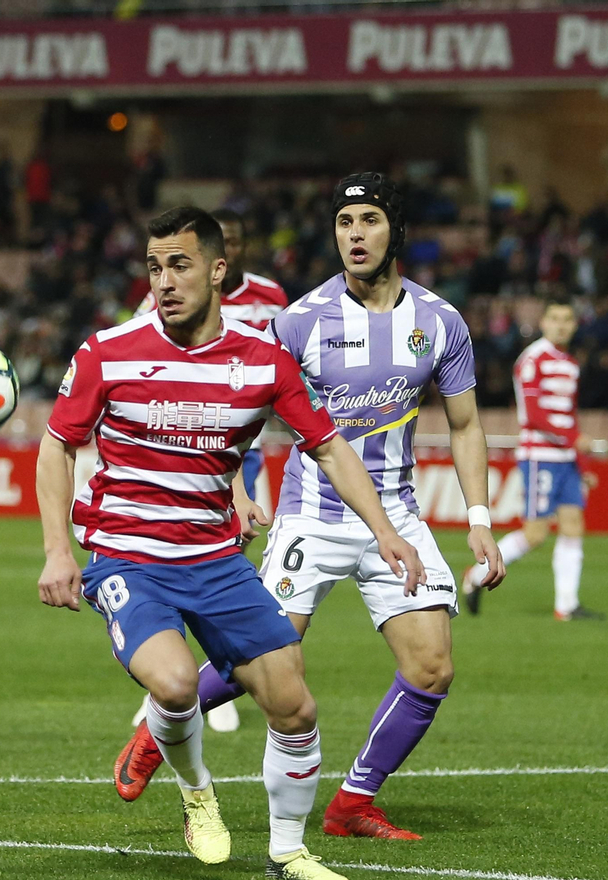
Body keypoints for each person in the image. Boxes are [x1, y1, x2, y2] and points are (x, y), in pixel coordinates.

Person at [40, 205, 426, 880]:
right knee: (176, 681)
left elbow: (330, 448)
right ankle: (197, 791)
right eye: (154, 267)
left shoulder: (262, 361)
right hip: (129, 556)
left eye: (180, 265)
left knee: (294, 703)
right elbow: (56, 445)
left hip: (217, 562)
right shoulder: (108, 352)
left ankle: (288, 852)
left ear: (219, 270)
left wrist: (386, 531)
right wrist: (57, 551)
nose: (164, 281)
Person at [112, 175, 505, 843]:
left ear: (395, 231)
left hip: (397, 513)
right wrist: (235, 488)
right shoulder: (300, 320)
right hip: (311, 515)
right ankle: (157, 727)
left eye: (369, 220)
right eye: (344, 221)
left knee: (432, 666)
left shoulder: (440, 322)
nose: (354, 234)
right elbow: (243, 411)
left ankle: (353, 803)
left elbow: (465, 426)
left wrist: (479, 521)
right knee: (261, 657)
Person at [130, 208, 290, 731]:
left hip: (247, 442)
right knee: (182, 554)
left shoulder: (271, 296)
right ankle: (175, 683)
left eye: (241, 240)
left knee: (228, 553)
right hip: (183, 444)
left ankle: (197, 681)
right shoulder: (168, 303)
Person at [463, 302, 603, 621]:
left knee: (573, 526)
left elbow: (568, 416)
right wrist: (573, 441)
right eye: (554, 319)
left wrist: (582, 463)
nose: (561, 325)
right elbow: (534, 414)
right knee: (535, 533)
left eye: (567, 319)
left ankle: (567, 605)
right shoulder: (533, 359)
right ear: (543, 322)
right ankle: (474, 576)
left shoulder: (570, 364)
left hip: (565, 459)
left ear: (575, 325)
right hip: (539, 456)